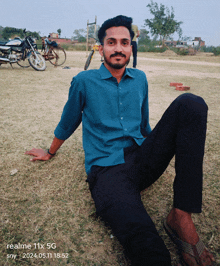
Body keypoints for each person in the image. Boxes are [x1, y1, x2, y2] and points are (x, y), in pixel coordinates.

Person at [25, 15, 215, 266]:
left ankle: (180, 215)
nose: (118, 48)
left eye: (124, 42)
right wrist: (50, 151)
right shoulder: (84, 81)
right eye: (111, 42)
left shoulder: (140, 79)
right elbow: (69, 120)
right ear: (101, 47)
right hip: (107, 170)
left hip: (141, 157)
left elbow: (144, 125)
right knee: (149, 251)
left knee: (191, 104)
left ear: (131, 47)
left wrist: (158, 148)